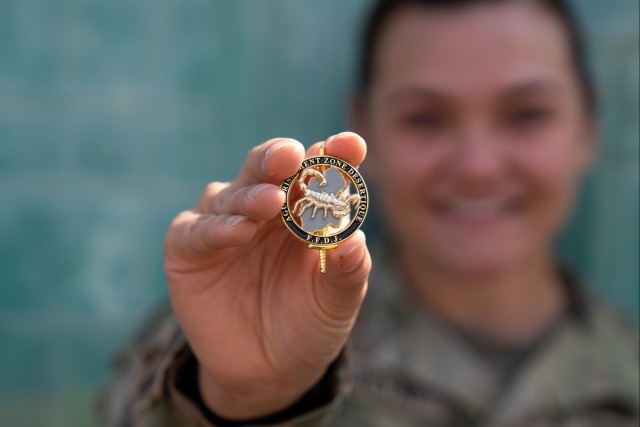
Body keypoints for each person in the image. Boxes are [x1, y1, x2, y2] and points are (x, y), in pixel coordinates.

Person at [99, 0, 639, 426]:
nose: (477, 166)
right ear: (365, 130)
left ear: (588, 128)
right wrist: (243, 401)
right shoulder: (236, 330)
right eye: (425, 118)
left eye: (526, 114)